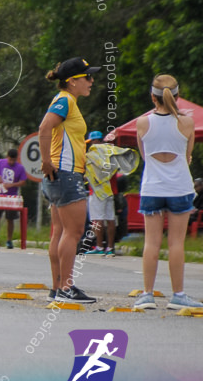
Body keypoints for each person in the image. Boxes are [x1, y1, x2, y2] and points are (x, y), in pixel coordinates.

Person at [133, 74, 202, 310]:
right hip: (179, 187)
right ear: (178, 97)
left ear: (153, 97)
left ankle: (147, 294)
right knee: (176, 243)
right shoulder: (187, 123)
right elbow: (187, 156)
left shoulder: (142, 123)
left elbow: (144, 155)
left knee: (151, 243)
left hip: (152, 186)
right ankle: (178, 294)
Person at [37, 57, 99, 304]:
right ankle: (66, 287)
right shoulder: (65, 100)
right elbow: (44, 128)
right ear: (72, 82)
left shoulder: (67, 100)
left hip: (59, 173)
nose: (91, 81)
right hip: (66, 172)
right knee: (73, 232)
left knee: (60, 232)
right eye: (87, 77)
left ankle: (57, 287)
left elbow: (63, 137)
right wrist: (45, 161)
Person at [83, 131, 116, 256]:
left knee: (97, 220)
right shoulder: (111, 153)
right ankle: (110, 248)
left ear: (95, 141)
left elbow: (89, 176)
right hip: (110, 190)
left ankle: (99, 246)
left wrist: (85, 178)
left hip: (97, 191)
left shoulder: (92, 155)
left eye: (91, 142)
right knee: (111, 219)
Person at [0, 148, 28, 249]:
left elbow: (23, 181)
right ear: (7, 157)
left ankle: (9, 240)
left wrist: (12, 185)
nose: (11, 162)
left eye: (13, 160)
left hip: (11, 197)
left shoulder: (20, 168)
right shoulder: (0, 162)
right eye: (10, 160)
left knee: (10, 218)